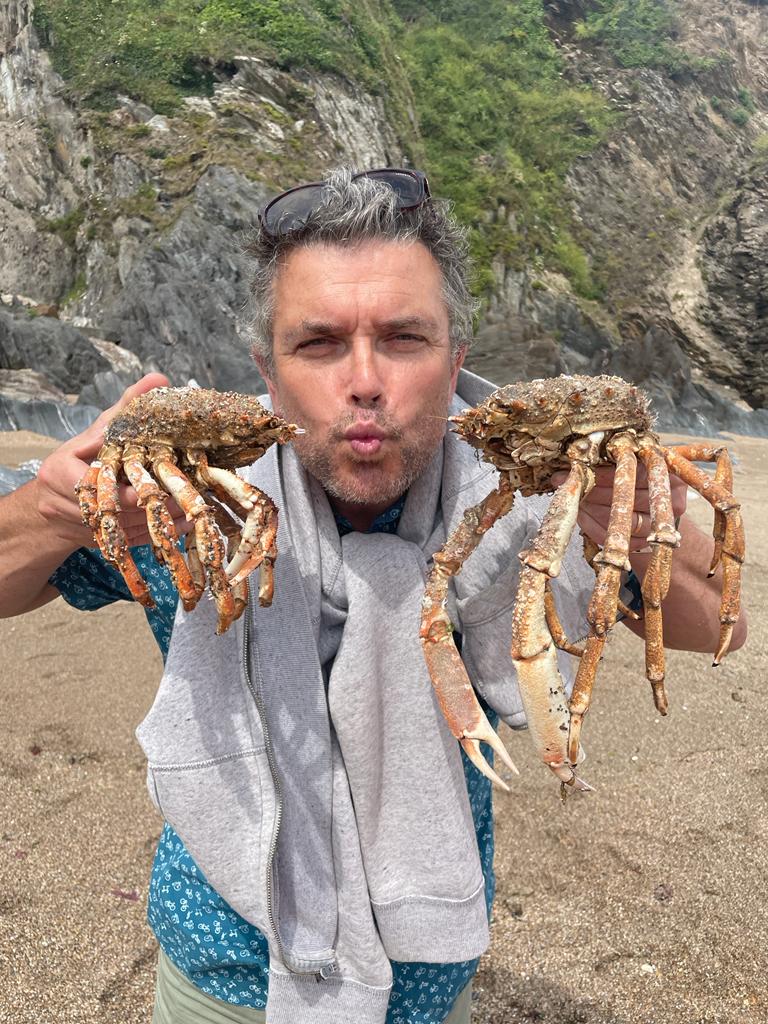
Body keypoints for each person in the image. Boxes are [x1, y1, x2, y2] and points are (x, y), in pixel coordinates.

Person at [0, 167, 746, 1024]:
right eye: (318, 344)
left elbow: (714, 628)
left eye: (404, 339)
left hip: (431, 978)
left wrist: (648, 522)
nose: (364, 382)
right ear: (267, 373)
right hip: (224, 969)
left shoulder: (537, 489)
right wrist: (57, 511)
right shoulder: (182, 492)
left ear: (456, 358)